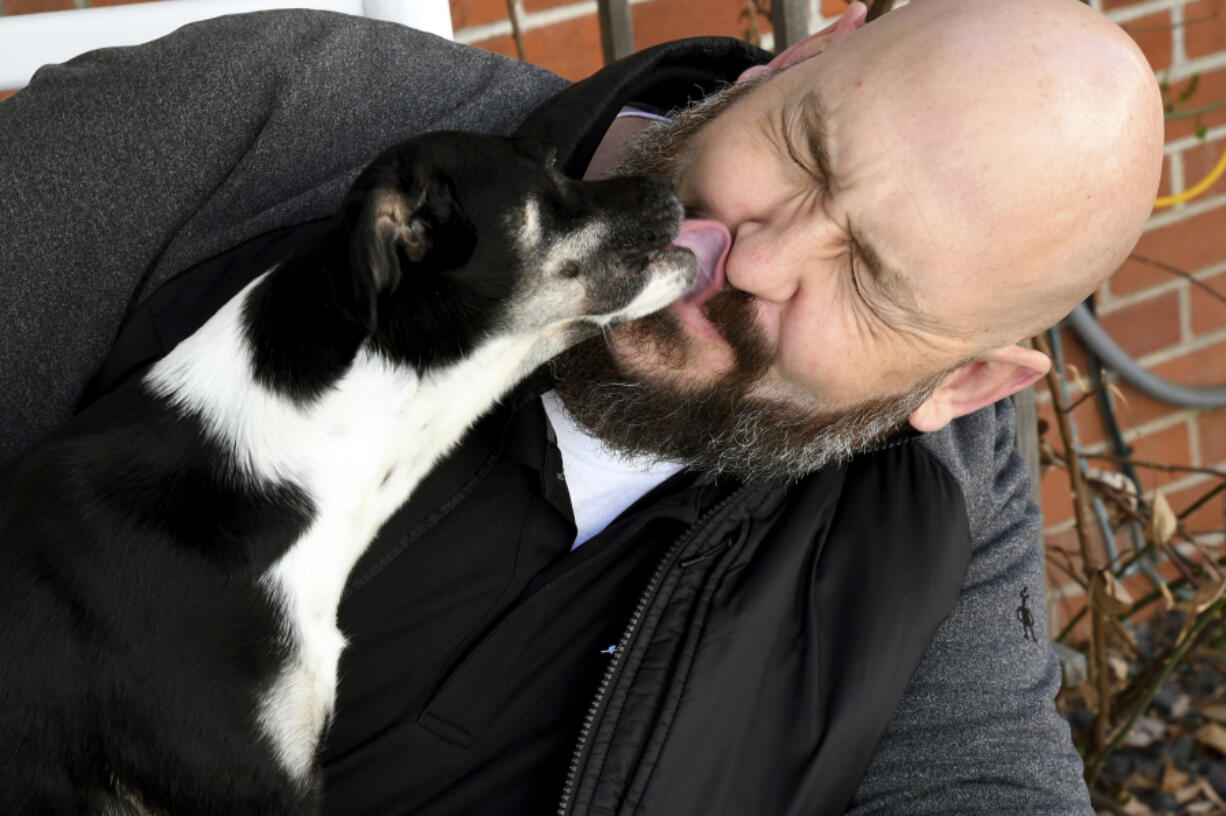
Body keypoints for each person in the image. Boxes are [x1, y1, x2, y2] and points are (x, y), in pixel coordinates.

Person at [0, 0, 1161, 812]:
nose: (759, 263)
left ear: (960, 385)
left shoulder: (935, 509)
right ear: (801, 56)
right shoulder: (275, 120)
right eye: (806, 156)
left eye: (868, 281)